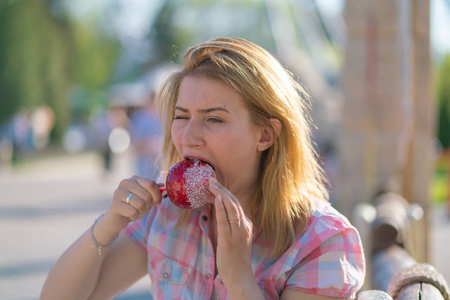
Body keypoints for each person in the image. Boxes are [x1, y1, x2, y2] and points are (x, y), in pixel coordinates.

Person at [41, 37, 365, 300]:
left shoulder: (322, 241)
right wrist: (108, 225)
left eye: (214, 119)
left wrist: (239, 279)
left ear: (265, 135)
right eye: (181, 117)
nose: (189, 137)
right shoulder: (165, 215)